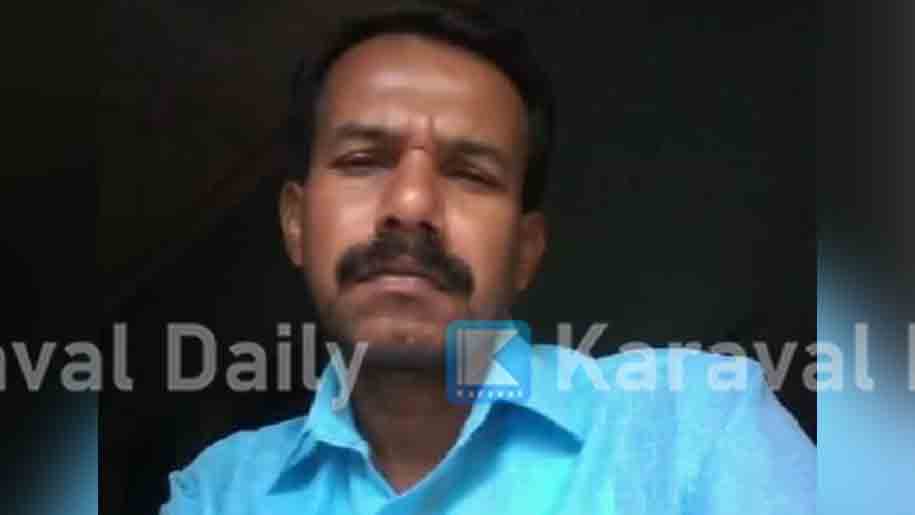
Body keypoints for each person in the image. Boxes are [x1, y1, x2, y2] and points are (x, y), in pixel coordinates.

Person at [160, 3, 815, 514]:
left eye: (470, 173)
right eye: (363, 160)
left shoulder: (692, 426)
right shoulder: (219, 493)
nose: (411, 204)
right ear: (296, 223)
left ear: (525, 251)